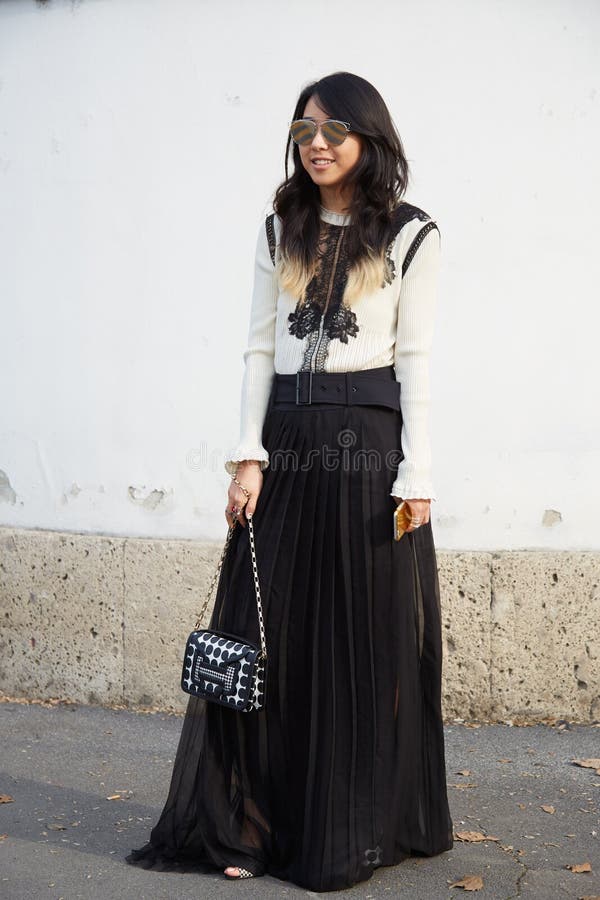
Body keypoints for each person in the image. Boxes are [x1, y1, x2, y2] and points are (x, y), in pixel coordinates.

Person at [126, 70, 454, 892]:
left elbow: (416, 360)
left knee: (353, 639)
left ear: (368, 138)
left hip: (368, 450)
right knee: (261, 631)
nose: (315, 142)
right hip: (285, 441)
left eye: (333, 129)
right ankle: (247, 823)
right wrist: (247, 454)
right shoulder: (281, 229)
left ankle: (347, 826)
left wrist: (419, 473)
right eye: (304, 129)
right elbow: (256, 349)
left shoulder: (413, 235)